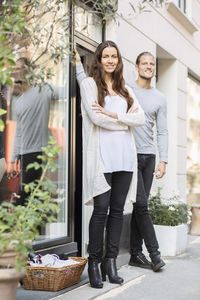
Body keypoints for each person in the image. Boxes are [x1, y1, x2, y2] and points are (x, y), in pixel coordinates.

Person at [75, 41, 145, 289]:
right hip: (102, 159)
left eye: (114, 56)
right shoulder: (89, 84)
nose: (110, 60)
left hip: (125, 159)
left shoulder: (125, 88)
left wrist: (116, 115)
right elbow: (95, 118)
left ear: (118, 60)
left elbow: (141, 118)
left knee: (117, 211)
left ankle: (110, 262)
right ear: (99, 58)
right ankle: (94, 262)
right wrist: (125, 121)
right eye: (106, 56)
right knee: (100, 210)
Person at [128, 52, 168, 272]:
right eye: (144, 63)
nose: (149, 67)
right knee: (142, 205)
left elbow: (163, 131)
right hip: (130, 155)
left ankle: (135, 253)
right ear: (136, 67)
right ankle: (155, 253)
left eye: (152, 64)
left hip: (149, 157)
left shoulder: (160, 98)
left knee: (138, 205)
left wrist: (164, 161)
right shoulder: (127, 89)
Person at [9, 57, 66, 205]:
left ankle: (18, 225)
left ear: (28, 72)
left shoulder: (44, 89)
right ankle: (30, 225)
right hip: (24, 155)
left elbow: (66, 92)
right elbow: (19, 132)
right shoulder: (19, 101)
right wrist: (14, 158)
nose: (15, 72)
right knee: (30, 195)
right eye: (13, 70)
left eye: (18, 69)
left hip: (38, 153)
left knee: (26, 195)